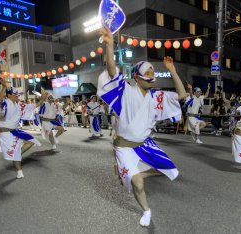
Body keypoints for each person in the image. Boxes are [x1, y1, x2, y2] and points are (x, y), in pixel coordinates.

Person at [98, 27, 187, 227]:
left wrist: (172, 71)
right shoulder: (126, 91)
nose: (151, 74)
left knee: (166, 169)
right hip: (125, 146)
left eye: (152, 71)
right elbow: (112, 71)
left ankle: (124, 172)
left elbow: (181, 96)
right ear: (137, 76)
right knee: (138, 182)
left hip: (145, 144)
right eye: (147, 71)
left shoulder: (157, 96)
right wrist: (110, 46)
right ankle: (146, 211)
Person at [0, 79, 46, 178]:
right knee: (16, 155)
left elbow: (33, 106)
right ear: (9, 95)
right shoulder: (5, 103)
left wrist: (42, 99)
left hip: (16, 131)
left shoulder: (19, 105)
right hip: (6, 134)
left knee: (31, 141)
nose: (18, 95)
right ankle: (19, 171)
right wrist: (4, 87)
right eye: (15, 94)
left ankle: (17, 154)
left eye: (18, 94)